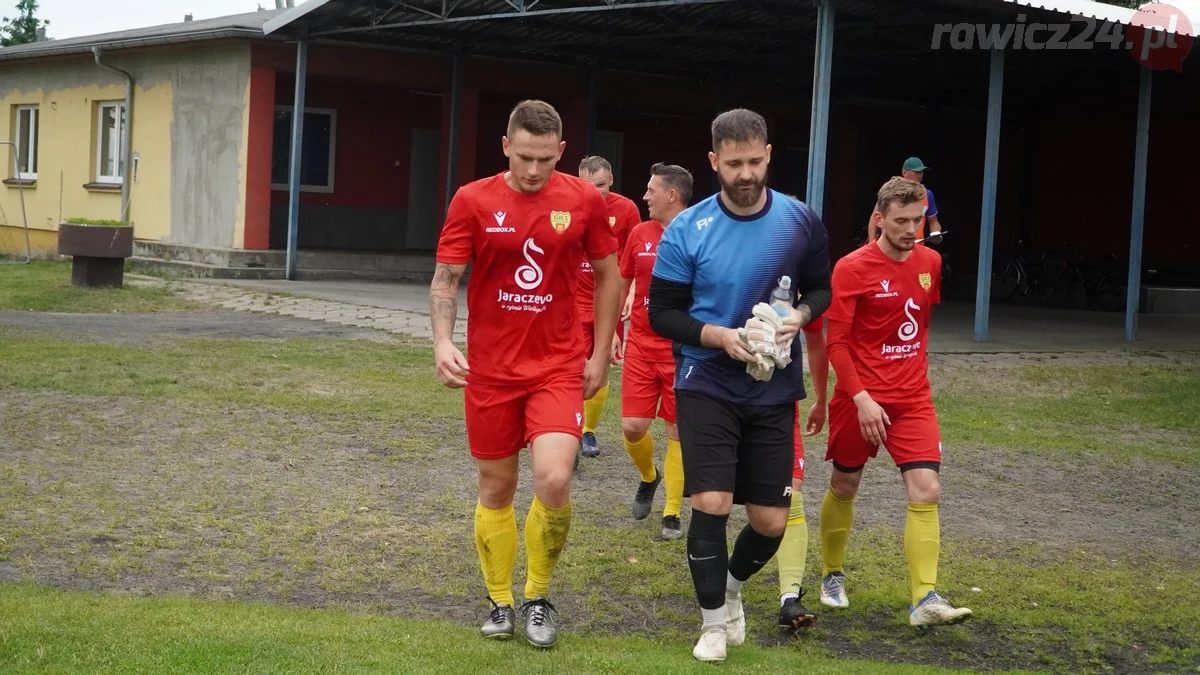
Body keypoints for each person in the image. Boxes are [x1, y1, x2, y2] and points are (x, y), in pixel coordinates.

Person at [430, 100, 622, 649]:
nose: (533, 170)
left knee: (555, 478)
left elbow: (610, 277)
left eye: (544, 158)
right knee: (497, 486)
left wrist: (599, 349)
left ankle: (538, 595)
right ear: (506, 147)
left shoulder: (583, 199)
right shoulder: (472, 200)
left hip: (558, 366)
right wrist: (444, 341)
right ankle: (500, 601)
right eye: (523, 157)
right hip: (490, 370)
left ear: (561, 152)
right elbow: (446, 281)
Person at [648, 108, 832, 663]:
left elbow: (822, 289)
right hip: (705, 380)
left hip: (773, 389)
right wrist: (718, 336)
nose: (746, 173)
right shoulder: (688, 227)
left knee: (770, 521)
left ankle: (730, 591)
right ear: (714, 162)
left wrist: (800, 314)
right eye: (734, 164)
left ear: (769, 154)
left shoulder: (801, 221)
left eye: (755, 161)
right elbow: (662, 313)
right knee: (709, 500)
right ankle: (710, 625)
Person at [818, 176, 972, 628]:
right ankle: (831, 572)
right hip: (859, 400)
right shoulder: (851, 268)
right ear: (879, 219)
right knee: (845, 485)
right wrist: (862, 398)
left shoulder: (931, 262)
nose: (911, 229)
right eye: (901, 220)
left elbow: (918, 325)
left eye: (918, 219)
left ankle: (925, 598)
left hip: (912, 400)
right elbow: (837, 345)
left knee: (927, 490)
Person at [612, 162, 693, 541]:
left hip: (682, 349)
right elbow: (622, 280)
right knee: (632, 427)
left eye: (651, 190)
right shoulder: (639, 233)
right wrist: (614, 330)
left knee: (677, 429)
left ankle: (672, 511)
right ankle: (649, 477)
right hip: (641, 344)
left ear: (671, 195)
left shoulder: (698, 233)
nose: (644, 197)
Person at [576, 156, 643, 459]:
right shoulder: (566, 204)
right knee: (570, 366)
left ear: (612, 180)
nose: (596, 192)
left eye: (601, 185)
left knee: (600, 364)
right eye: (588, 186)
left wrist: (631, 294)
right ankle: (570, 428)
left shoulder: (627, 209)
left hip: (609, 300)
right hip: (573, 300)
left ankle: (588, 430)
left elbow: (639, 252)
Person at [773, 315, 828, 630]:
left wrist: (820, 399)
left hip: (780, 405)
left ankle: (789, 599)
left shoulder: (795, 273)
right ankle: (724, 591)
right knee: (717, 501)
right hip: (723, 399)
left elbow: (816, 340)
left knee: (789, 498)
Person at [866, 157, 943, 245]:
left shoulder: (926, 194)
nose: (920, 175)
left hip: (917, 247)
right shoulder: (891, 192)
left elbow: (933, 221)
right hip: (892, 247)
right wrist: (872, 245)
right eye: (916, 172)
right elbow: (874, 219)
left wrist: (936, 234)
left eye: (921, 172)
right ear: (904, 173)